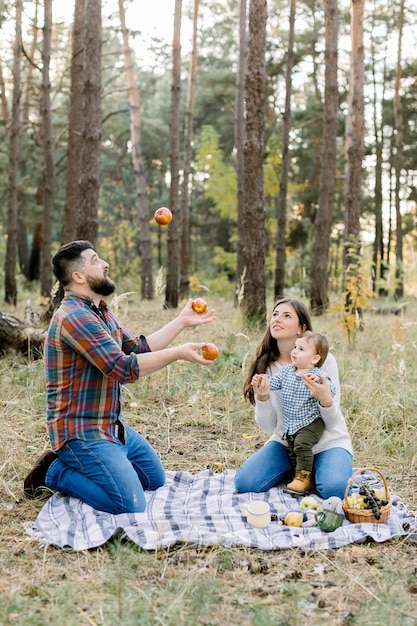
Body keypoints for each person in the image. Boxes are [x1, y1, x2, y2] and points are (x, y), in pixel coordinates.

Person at [24, 240, 217, 514]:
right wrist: (178, 353)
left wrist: (181, 322)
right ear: (78, 276)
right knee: (129, 503)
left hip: (111, 426)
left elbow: (137, 348)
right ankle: (55, 472)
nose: (105, 264)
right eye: (95, 260)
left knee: (154, 479)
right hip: (81, 432)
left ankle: (105, 464)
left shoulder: (99, 310)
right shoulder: (74, 316)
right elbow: (122, 368)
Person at [234, 298, 353, 500]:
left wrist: (325, 400)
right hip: (287, 442)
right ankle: (300, 468)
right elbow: (268, 426)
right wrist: (262, 398)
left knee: (334, 489)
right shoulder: (269, 367)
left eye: (286, 315)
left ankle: (317, 468)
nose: (277, 319)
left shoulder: (322, 361)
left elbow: (332, 423)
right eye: (275, 314)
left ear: (301, 328)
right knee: (245, 482)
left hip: (328, 442)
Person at [251, 331, 337, 494]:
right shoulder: (286, 371)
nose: (294, 351)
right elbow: (273, 382)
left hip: (312, 421)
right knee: (292, 449)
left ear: (315, 359)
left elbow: (330, 390)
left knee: (302, 444)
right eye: (295, 347)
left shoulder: (317, 375)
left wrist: (319, 385)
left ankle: (303, 476)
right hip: (292, 423)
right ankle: (301, 477)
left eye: (301, 349)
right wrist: (263, 381)